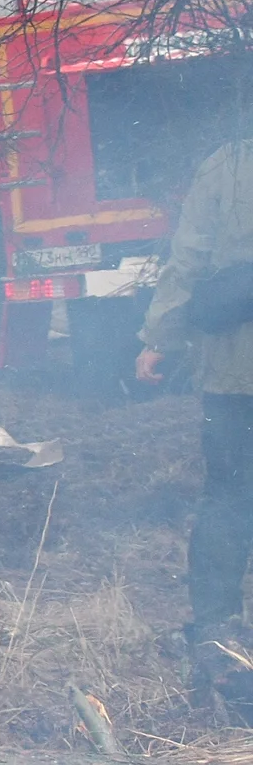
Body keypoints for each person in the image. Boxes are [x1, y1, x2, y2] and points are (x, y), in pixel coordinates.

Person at [137, 140, 253, 698]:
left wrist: (158, 338)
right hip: (234, 369)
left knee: (229, 495)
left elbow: (189, 262)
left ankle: (218, 634)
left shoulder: (228, 162)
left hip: (235, 371)